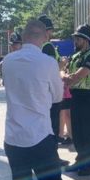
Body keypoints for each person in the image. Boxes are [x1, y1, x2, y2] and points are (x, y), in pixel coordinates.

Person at [2, 19, 90, 180]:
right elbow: (56, 97)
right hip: (40, 136)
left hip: (13, 137)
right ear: (42, 37)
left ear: (22, 37)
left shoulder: (7, 61)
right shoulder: (47, 62)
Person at [64, 24, 90, 176]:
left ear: (86, 40)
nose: (75, 41)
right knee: (78, 132)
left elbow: (75, 77)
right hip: (77, 98)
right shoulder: (75, 56)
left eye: (78, 38)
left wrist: (66, 76)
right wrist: (66, 76)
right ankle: (81, 159)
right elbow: (64, 74)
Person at [37, 15, 65, 144]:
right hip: (51, 91)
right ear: (46, 31)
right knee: (53, 125)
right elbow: (52, 69)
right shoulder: (48, 46)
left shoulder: (37, 47)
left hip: (41, 90)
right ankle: (53, 156)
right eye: (50, 30)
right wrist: (63, 64)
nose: (52, 33)